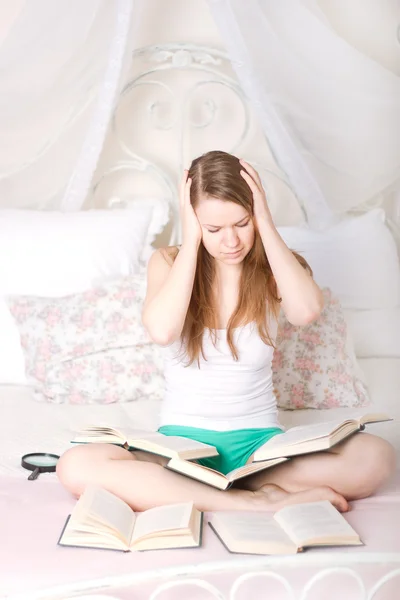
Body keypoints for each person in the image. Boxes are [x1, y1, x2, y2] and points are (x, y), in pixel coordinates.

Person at [57, 151, 396, 514]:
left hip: (261, 452)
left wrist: (265, 222)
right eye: (214, 229)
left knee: (376, 457)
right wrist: (191, 241)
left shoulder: (275, 267)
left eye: (242, 222)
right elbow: (162, 329)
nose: (230, 241)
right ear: (194, 221)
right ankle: (251, 502)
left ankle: (229, 489)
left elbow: (306, 311)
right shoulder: (169, 263)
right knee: (76, 465)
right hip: (182, 450)